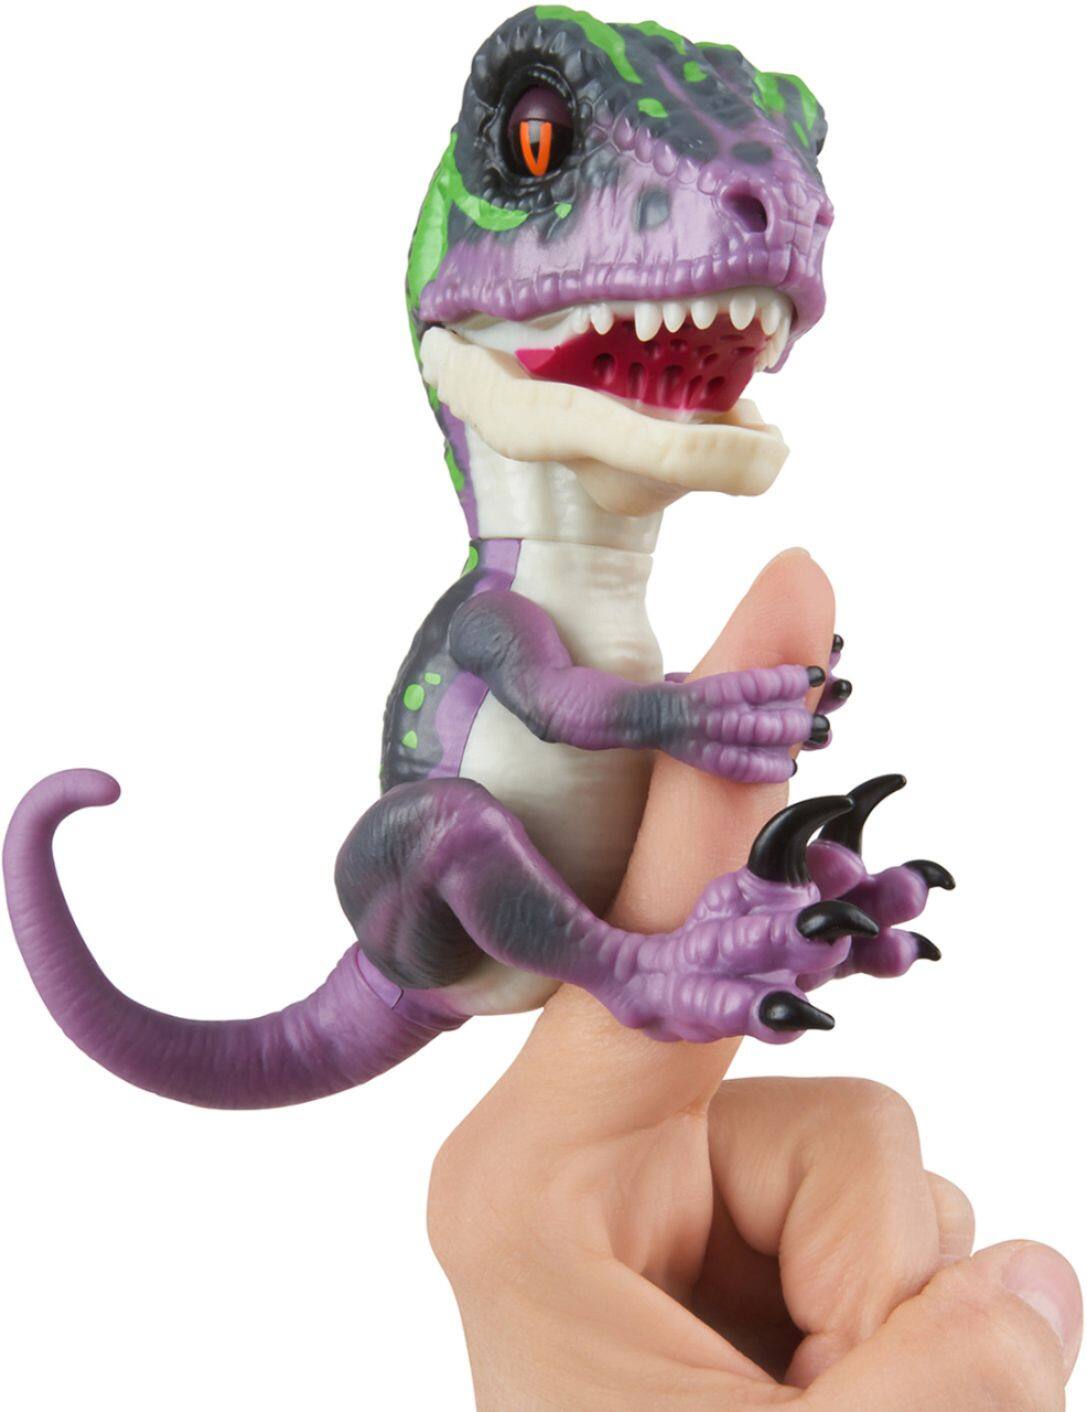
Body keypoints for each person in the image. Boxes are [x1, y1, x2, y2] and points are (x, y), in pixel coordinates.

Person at [427, 550, 1082, 1410]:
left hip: (559, 894)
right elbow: (551, 705)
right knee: (448, 826)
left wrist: (677, 715)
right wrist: (677, 714)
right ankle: (646, 964)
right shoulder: (496, 605)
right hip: (432, 906)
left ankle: (799, 927)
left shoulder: (592, 608)